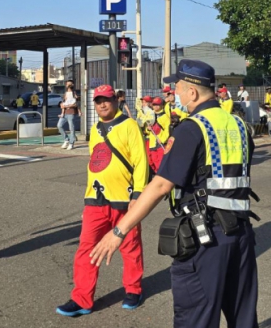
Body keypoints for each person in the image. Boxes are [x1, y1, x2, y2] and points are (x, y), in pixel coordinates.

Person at [89, 60, 259, 328]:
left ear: (192, 92)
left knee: (196, 318)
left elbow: (159, 186)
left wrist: (118, 232)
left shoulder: (191, 129)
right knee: (243, 318)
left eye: (177, 87)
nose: (175, 94)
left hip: (206, 239)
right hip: (241, 233)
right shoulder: (238, 124)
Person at [56, 84, 147, 317]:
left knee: (130, 246)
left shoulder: (129, 125)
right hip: (95, 199)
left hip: (124, 199)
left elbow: (140, 161)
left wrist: (138, 195)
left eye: (106, 99)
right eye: (98, 101)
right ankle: (82, 299)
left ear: (115, 100)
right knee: (86, 248)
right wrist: (86, 199)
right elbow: (95, 162)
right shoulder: (95, 129)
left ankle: (133, 289)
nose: (102, 104)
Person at [145, 97, 171, 173]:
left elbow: (167, 130)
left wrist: (162, 139)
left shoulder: (165, 117)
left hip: (160, 143)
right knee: (152, 161)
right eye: (154, 105)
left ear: (161, 105)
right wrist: (148, 129)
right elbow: (147, 129)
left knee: (160, 163)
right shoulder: (150, 115)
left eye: (158, 105)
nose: (156, 106)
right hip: (152, 143)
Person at [57, 80, 81, 150]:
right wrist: (62, 106)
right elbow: (62, 102)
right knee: (59, 125)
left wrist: (69, 106)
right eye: (67, 84)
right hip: (64, 113)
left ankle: (71, 143)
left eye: (69, 84)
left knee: (72, 128)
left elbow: (76, 104)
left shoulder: (74, 93)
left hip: (71, 113)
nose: (68, 85)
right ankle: (66, 139)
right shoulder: (65, 93)